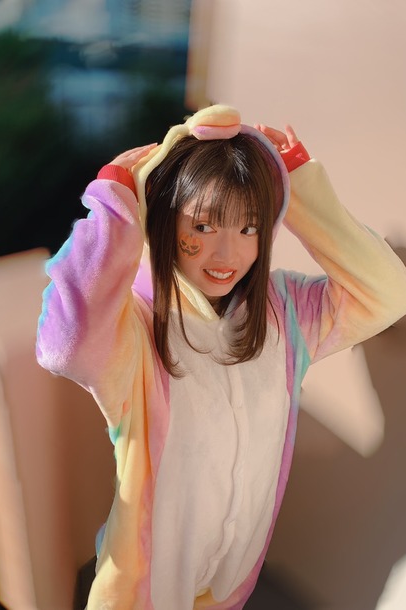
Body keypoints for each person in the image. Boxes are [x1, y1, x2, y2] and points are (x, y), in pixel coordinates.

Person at [36, 105, 406, 609]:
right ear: (165, 219)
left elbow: (387, 293)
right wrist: (117, 204)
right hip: (140, 597)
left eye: (249, 228)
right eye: (205, 226)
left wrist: (300, 187)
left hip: (229, 592)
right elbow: (64, 343)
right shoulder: (135, 327)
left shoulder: (284, 315)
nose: (228, 255)